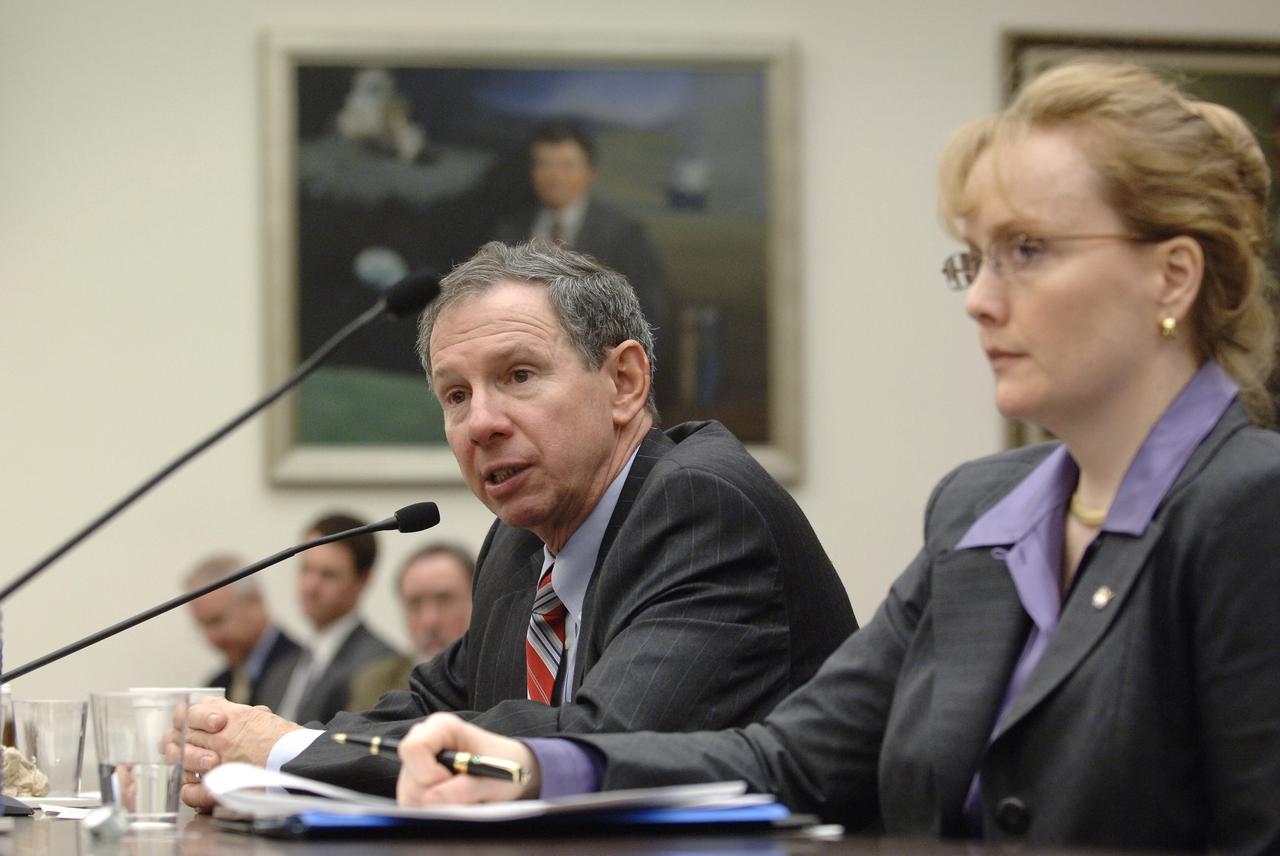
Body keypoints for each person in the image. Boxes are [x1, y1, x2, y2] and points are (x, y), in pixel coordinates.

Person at [391, 62, 1280, 853]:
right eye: (974, 259)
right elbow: (791, 756)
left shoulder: (1250, 505)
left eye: (1028, 251)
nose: (978, 300)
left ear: (1173, 276)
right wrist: (532, 768)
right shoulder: (979, 509)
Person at [179, 240, 856, 808]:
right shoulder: (520, 541)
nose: (481, 424)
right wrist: (246, 749)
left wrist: (288, 754)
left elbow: (592, 746)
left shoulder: (702, 508)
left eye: (519, 375)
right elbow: (433, 707)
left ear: (624, 382)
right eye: (455, 395)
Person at [493, 121, 669, 374]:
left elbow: (649, 316)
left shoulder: (623, 235)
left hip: (597, 371)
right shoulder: (510, 230)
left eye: (567, 165)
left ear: (590, 172)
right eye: (544, 164)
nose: (554, 176)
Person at [272, 512, 398, 725]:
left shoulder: (382, 666)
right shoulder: (283, 666)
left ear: (363, 580)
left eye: (328, 574)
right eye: (306, 570)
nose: (310, 586)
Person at [346, 543, 476, 711]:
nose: (430, 620)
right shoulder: (375, 682)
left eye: (445, 600)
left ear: (475, 601)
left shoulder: (495, 678)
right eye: (415, 603)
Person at [184, 554, 300, 708]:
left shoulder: (302, 671)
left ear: (254, 602)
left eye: (217, 621)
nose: (210, 638)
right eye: (202, 626)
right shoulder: (217, 685)